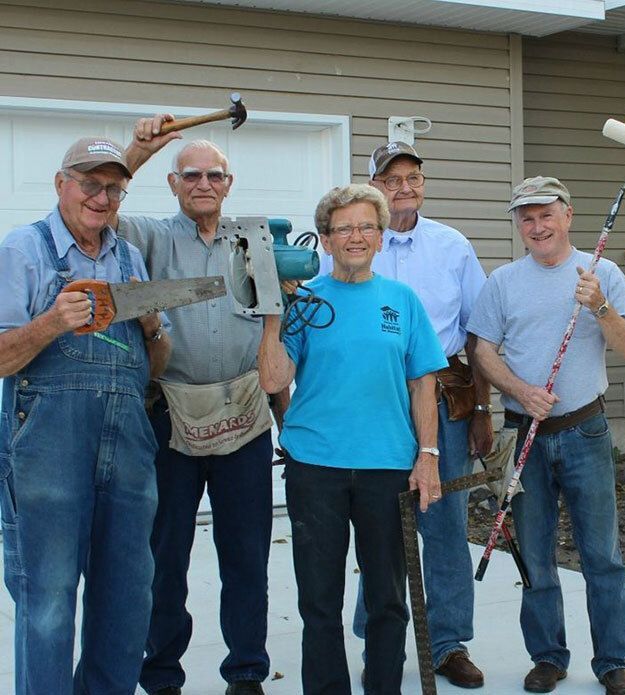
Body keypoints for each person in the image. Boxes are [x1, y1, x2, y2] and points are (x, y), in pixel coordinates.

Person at [258, 183, 447, 695]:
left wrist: (427, 455)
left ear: (382, 238)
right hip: (314, 466)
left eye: (367, 226)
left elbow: (423, 383)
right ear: (324, 239)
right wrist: (274, 304)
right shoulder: (306, 301)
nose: (356, 236)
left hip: (387, 466)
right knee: (319, 600)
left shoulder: (402, 301)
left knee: (387, 599)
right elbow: (274, 381)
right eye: (344, 228)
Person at [114, 116, 281, 695]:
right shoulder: (151, 237)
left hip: (245, 416)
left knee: (246, 555)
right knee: (165, 559)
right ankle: (160, 674)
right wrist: (136, 150)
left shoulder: (252, 238)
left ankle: (246, 671)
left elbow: (271, 326)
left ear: (229, 183)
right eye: (191, 175)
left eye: (214, 174)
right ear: (173, 183)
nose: (203, 183)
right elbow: (100, 213)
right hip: (169, 418)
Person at [0, 137, 171, 693]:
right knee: (47, 600)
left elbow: (152, 367)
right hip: (49, 446)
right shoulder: (24, 251)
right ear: (61, 184)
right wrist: (53, 321)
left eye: (113, 188)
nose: (102, 198)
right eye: (90, 184)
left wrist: (150, 323)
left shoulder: (129, 258)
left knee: (126, 596)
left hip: (126, 445)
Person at [468, 176, 625, 695]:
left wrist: (600, 306)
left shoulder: (601, 272)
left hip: (584, 430)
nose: (537, 225)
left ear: (568, 215)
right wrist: (522, 392)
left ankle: (613, 661)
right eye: (526, 217)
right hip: (525, 433)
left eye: (547, 214)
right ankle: (548, 655)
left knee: (602, 556)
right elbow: (482, 352)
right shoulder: (502, 282)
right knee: (536, 554)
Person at [344, 141, 492, 689]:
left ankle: (449, 644)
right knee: (378, 524)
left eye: (413, 177)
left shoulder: (452, 246)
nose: (403, 187)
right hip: (374, 401)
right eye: (392, 179)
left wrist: (480, 408)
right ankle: (376, 639)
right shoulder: (355, 245)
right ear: (374, 187)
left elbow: (478, 336)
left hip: (445, 399)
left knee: (446, 525)